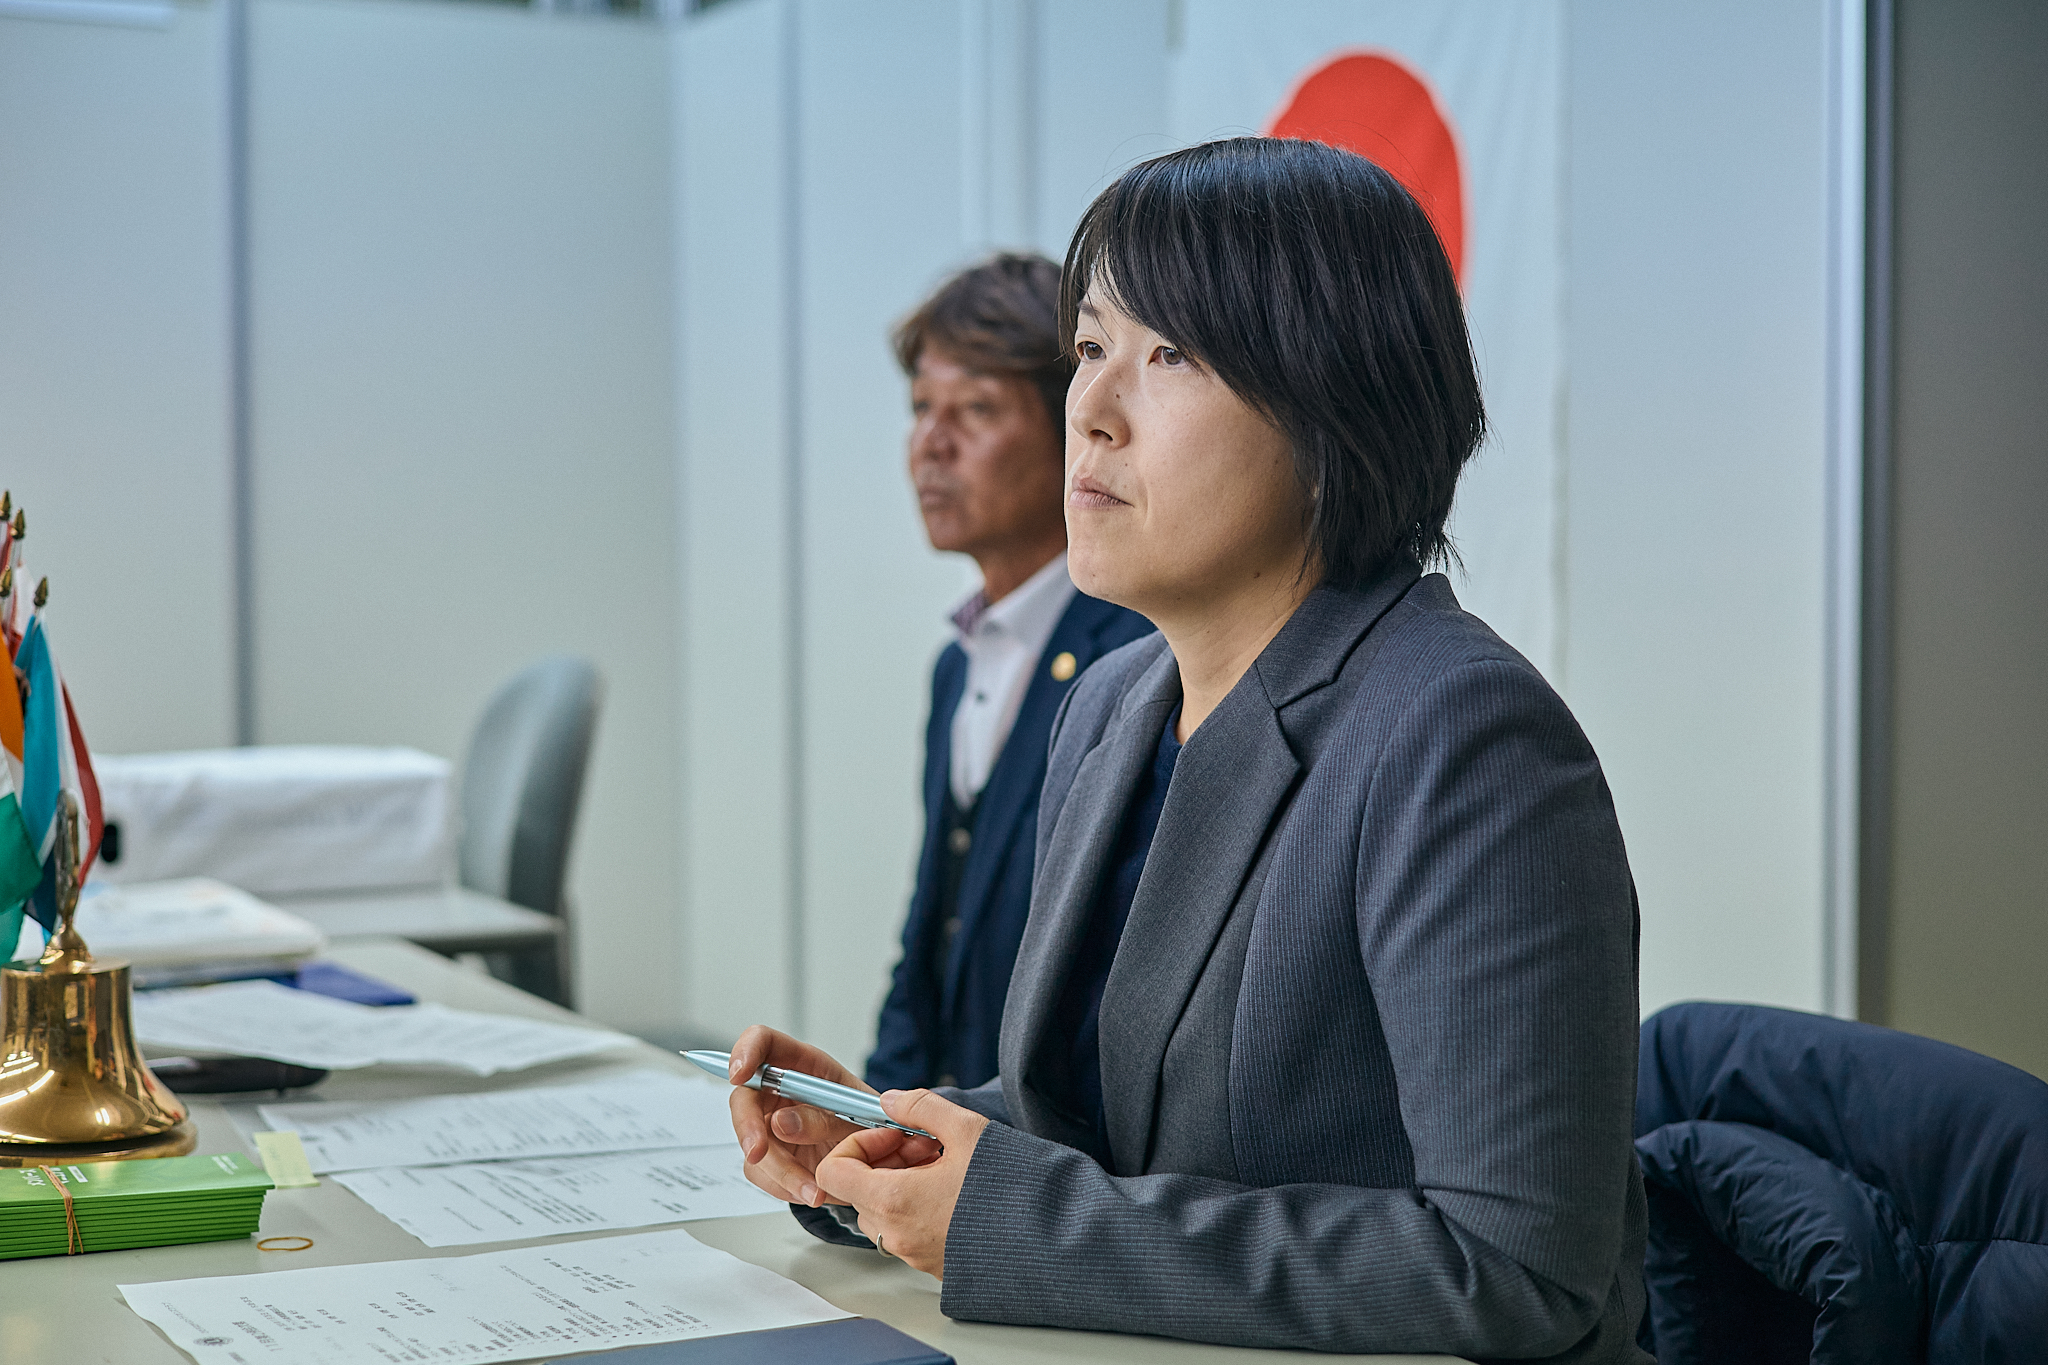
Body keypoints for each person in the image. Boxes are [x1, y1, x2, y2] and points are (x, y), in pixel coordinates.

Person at [723, 139, 1649, 1363]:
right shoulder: (1113, 704)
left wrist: (1013, 1220)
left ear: (1335, 405)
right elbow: (1118, 1132)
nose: (1091, 411)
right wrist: (890, 1149)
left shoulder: (1461, 738)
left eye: (1168, 355)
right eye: (1090, 349)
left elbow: (1517, 1272)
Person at [866, 255, 1152, 1096]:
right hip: (938, 1135)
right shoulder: (956, 665)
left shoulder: (1137, 660)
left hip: (1043, 1146)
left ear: (1073, 424)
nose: (931, 444)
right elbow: (927, 942)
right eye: (922, 408)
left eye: (977, 410)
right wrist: (869, 1117)